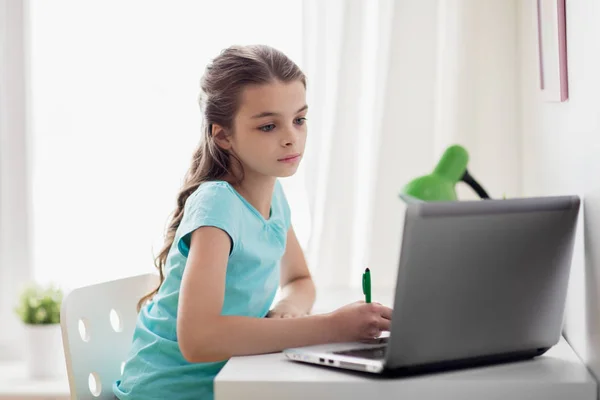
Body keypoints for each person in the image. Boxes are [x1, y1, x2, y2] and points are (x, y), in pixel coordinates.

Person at [113, 44, 393, 400]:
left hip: (230, 383)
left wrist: (287, 309)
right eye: (268, 126)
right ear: (223, 135)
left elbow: (299, 279)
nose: (291, 136)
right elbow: (198, 340)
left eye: (300, 119)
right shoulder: (217, 206)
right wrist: (331, 326)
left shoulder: (273, 197)